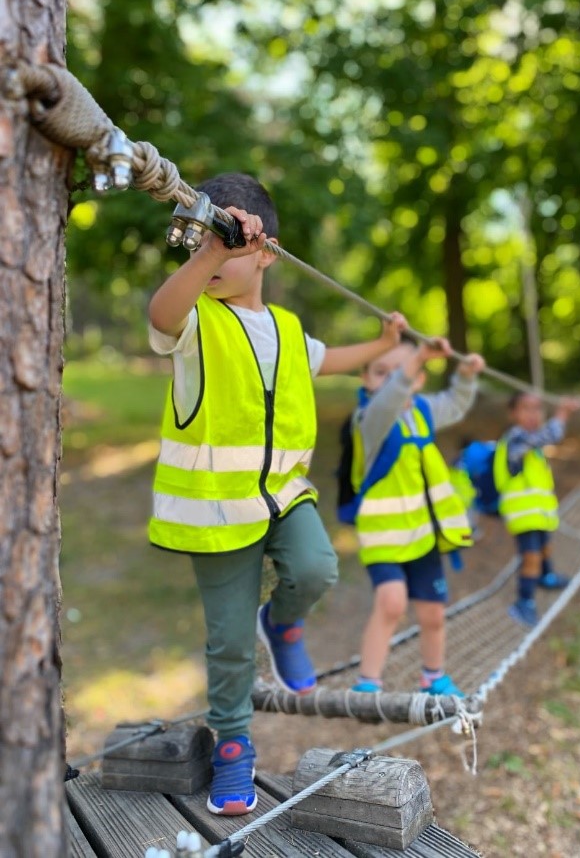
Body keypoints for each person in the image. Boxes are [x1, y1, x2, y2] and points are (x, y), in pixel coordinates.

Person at [147, 172, 407, 816]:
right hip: (215, 511)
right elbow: (159, 314)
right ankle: (235, 749)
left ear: (265, 251)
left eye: (228, 242)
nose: (208, 255)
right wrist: (212, 249)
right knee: (229, 642)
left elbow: (330, 359)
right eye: (200, 244)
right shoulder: (193, 322)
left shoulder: (288, 330)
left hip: (284, 495)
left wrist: (384, 343)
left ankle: (284, 621)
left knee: (318, 568)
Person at [348, 335, 485, 697]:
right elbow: (389, 400)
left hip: (423, 534)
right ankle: (368, 681)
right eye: (382, 373)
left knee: (433, 614)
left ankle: (433, 676)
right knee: (391, 603)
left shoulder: (422, 410)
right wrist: (415, 361)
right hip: (384, 536)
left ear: (421, 378)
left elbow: (455, 403)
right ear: (365, 379)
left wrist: (467, 376)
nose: (393, 381)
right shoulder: (369, 420)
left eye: (402, 372)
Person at [493, 391, 580, 628]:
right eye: (526, 408)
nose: (533, 414)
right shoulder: (517, 438)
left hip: (539, 513)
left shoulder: (530, 444)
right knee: (530, 557)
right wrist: (562, 413)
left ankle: (547, 576)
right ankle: (524, 602)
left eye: (537, 408)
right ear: (512, 413)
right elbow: (551, 435)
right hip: (523, 515)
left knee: (544, 548)